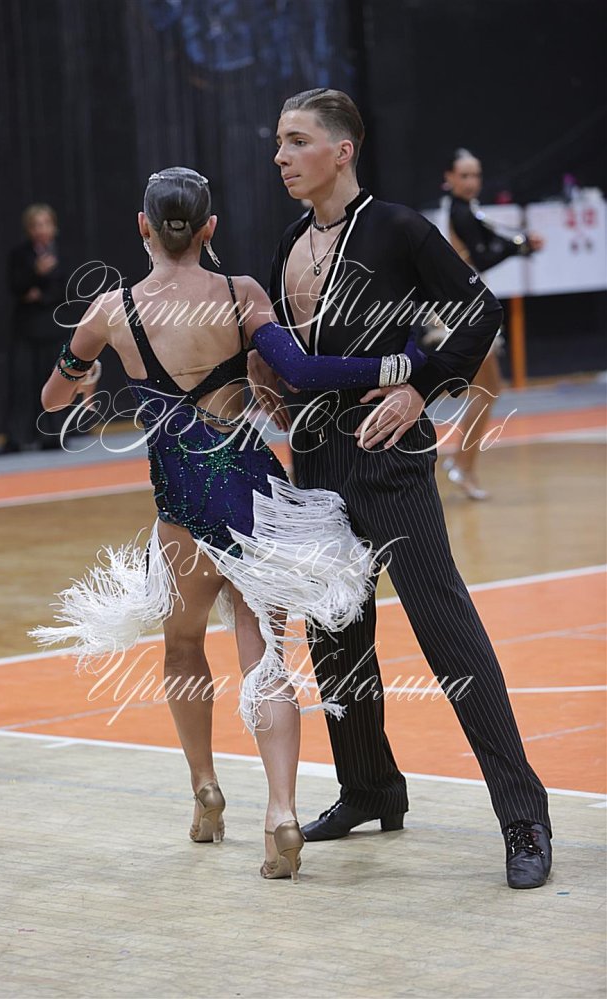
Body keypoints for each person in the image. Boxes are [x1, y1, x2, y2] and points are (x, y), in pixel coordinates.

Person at [31, 167, 428, 883]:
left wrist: (82, 372)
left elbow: (54, 396)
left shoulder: (111, 310)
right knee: (264, 657)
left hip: (181, 508)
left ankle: (205, 790)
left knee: (183, 647)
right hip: (254, 501)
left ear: (143, 226)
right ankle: (282, 813)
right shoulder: (240, 293)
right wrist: (406, 362)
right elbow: (302, 372)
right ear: (209, 228)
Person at [248, 89, 552, 889]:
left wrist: (424, 386)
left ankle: (523, 814)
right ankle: (370, 788)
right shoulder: (289, 241)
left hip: (389, 459)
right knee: (336, 634)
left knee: (446, 631)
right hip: (315, 461)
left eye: (297, 140)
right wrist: (268, 383)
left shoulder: (397, 227)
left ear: (341, 150)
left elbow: (477, 309)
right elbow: (291, 349)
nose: (281, 156)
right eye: (279, 141)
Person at [438, 148, 545, 499]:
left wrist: (522, 244)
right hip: (464, 311)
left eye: (476, 175)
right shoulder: (459, 212)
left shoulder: (465, 210)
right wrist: (520, 246)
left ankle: (462, 463)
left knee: (487, 390)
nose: (471, 182)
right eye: (464, 175)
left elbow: (492, 241)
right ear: (449, 178)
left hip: (468, 306)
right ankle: (461, 465)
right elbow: (483, 256)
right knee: (485, 390)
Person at [0, 204, 71, 454]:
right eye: (36, 225)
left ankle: (53, 435)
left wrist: (40, 294)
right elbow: (16, 286)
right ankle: (16, 438)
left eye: (45, 224)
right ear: (29, 229)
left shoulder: (64, 252)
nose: (41, 229)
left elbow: (66, 288)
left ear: (54, 226)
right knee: (22, 383)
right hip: (26, 329)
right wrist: (36, 273)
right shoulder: (19, 255)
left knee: (53, 382)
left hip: (53, 326)